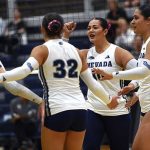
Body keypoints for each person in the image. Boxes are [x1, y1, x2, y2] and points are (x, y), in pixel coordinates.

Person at [0, 13, 119, 150]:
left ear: (42, 29)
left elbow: (23, 71)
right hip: (80, 110)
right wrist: (109, 100)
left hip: (57, 108)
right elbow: (92, 84)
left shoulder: (41, 50)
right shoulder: (76, 51)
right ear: (62, 28)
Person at [63, 17, 137, 150]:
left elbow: (142, 73)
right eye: (88, 28)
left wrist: (135, 91)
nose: (90, 30)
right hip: (93, 109)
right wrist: (66, 35)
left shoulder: (118, 52)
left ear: (105, 31)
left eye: (95, 27)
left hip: (117, 111)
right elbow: (62, 56)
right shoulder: (85, 54)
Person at [92, 4, 150, 150]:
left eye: (136, 18)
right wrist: (134, 88)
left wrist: (112, 75)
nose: (132, 22)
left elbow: (144, 71)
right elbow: (147, 74)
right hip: (145, 106)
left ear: (148, 20)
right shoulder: (145, 42)